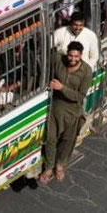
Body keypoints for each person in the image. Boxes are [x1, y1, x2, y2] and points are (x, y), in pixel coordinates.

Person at [39, 41, 92, 184]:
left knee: (68, 141)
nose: (73, 59)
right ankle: (48, 167)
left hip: (72, 112)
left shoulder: (86, 71)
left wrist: (61, 88)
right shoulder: (58, 59)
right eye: (70, 55)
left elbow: (80, 96)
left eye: (76, 56)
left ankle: (60, 166)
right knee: (51, 139)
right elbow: (45, 57)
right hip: (55, 108)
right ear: (66, 53)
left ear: (81, 55)